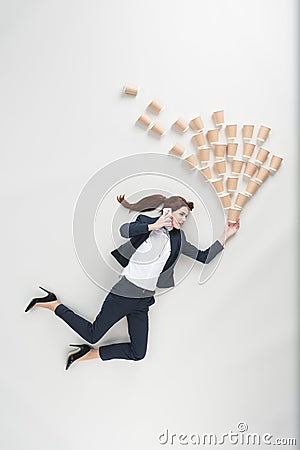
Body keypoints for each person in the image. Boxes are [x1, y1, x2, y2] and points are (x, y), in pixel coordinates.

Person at [25, 194, 240, 370]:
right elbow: (124, 231)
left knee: (139, 353)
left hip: (144, 300)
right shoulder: (146, 223)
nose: (183, 220)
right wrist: (153, 226)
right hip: (124, 293)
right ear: (168, 210)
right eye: (182, 214)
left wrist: (226, 234)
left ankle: (89, 354)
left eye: (186, 217)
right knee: (93, 333)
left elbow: (203, 256)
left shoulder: (179, 239)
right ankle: (53, 304)